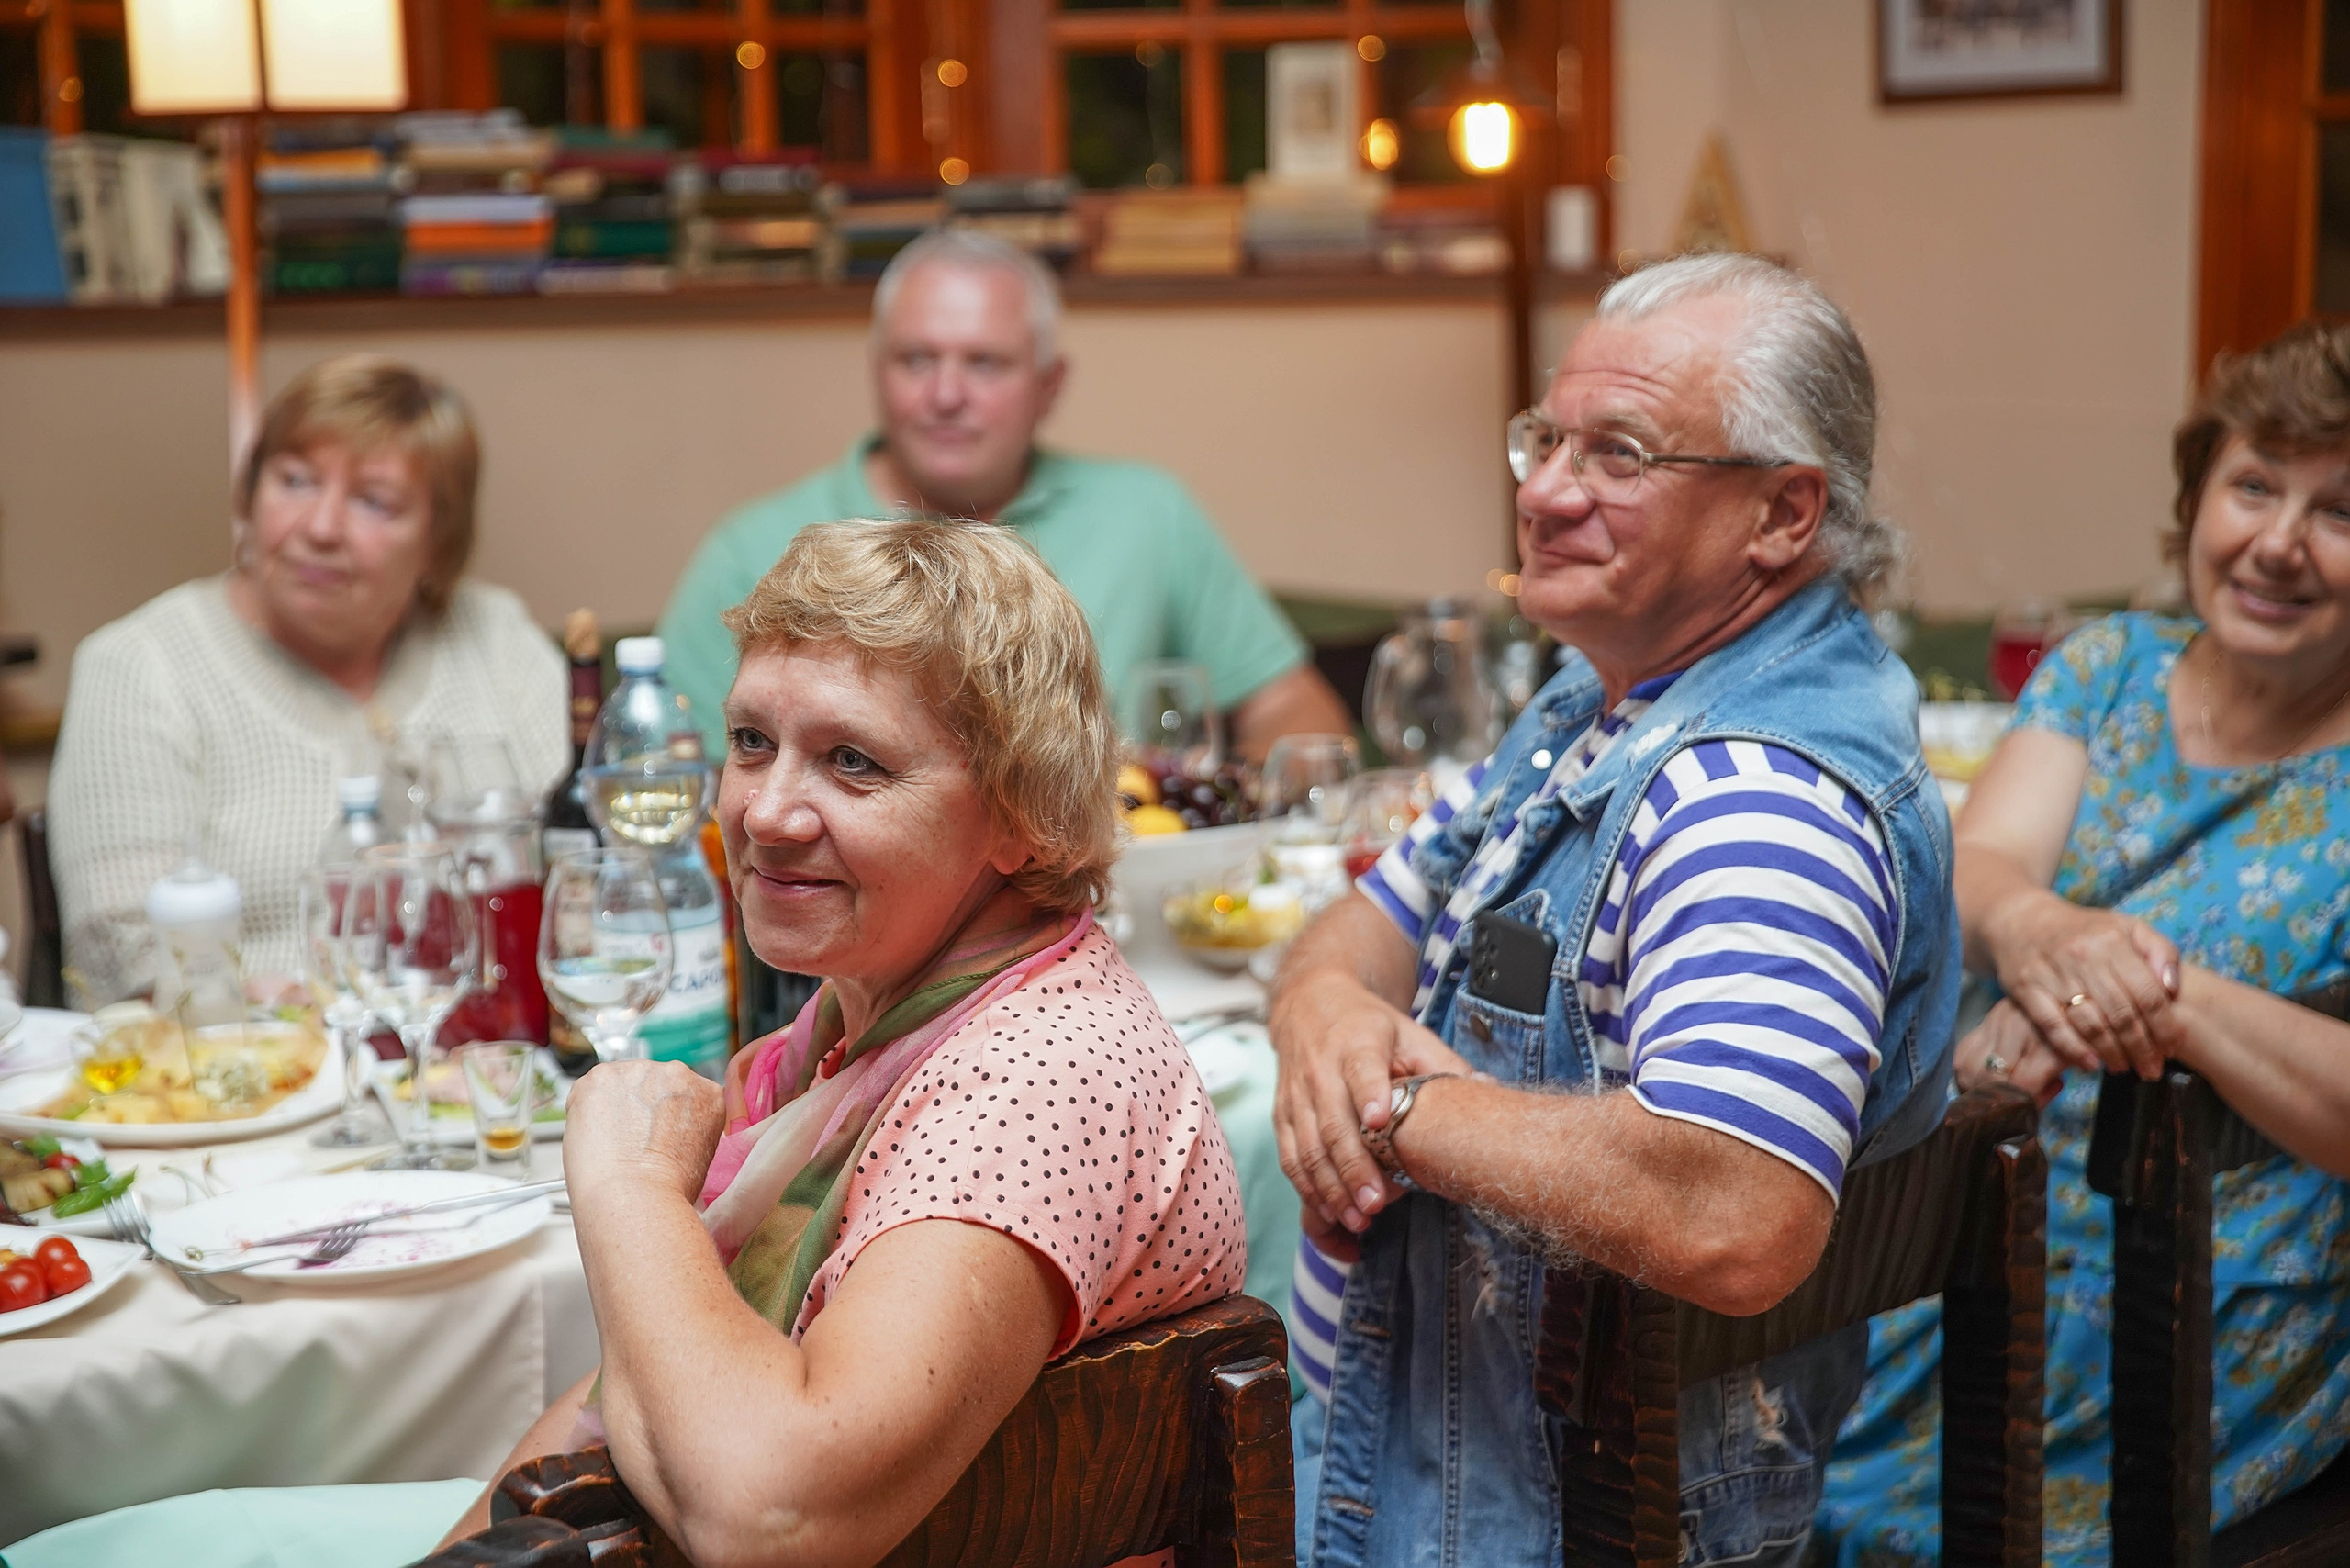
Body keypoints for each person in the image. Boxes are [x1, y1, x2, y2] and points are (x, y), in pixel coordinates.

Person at [1269, 253, 1960, 1568]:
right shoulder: (1600, 695)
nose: (1545, 491)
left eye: (1620, 454)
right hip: (1423, 1474)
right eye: (1546, 439)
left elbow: (1736, 1208)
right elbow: (1369, 918)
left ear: (1783, 513)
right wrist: (1321, 1017)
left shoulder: (1754, 796)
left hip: (1560, 1526)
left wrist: (1396, 1113)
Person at [430, 517, 1248, 1563]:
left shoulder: (1040, 1075)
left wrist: (630, 1189)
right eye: (750, 742)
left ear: (1023, 815)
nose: (765, 813)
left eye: (852, 761)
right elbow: (643, 1386)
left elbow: (771, 1516)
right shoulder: (852, 1022)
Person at [1816, 321, 2350, 1565]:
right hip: (1978, 1242)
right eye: (2254, 486)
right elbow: (1976, 876)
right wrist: (2044, 932)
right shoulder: (2109, 670)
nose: (2278, 541)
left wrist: (2155, 998)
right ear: (2195, 500)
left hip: (2211, 1312)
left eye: (2340, 511)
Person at [656, 227, 1352, 762]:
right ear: (876, 372)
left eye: (985, 363)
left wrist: (1210, 817)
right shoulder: (754, 549)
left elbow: (1298, 715)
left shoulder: (1147, 515)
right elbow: (671, 781)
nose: (946, 395)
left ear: (1049, 386)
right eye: (917, 359)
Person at [49, 355, 566, 1004]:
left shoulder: (498, 639)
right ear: (250, 496)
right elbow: (120, 955)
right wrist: (294, 1015)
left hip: (490, 1046)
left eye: (374, 502)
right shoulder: (142, 666)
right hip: (248, 1054)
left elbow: (580, 876)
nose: (321, 529)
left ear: (439, 541)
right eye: (294, 481)